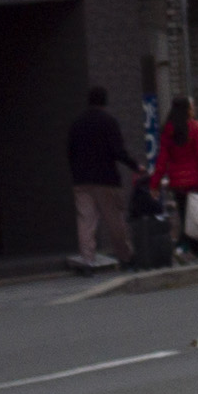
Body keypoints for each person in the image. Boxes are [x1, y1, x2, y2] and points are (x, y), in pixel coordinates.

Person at [62, 84, 134, 272]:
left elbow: (70, 152)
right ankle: (125, 257)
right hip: (106, 180)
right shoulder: (108, 122)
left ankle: (87, 261)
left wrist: (76, 173)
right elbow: (118, 151)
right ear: (105, 101)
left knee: (86, 222)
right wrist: (135, 166)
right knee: (115, 221)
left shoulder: (77, 123)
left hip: (82, 181)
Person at [154, 97, 198, 258]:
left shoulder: (168, 130)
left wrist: (154, 183)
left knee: (185, 216)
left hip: (178, 184)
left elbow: (162, 159)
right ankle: (197, 250)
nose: (193, 110)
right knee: (197, 218)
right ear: (187, 109)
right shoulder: (196, 127)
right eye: (191, 107)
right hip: (196, 182)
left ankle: (184, 248)